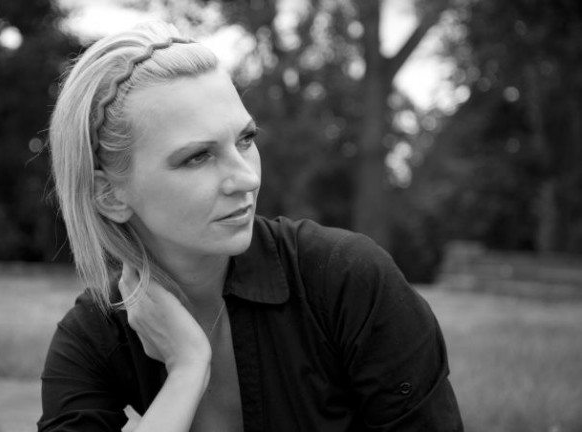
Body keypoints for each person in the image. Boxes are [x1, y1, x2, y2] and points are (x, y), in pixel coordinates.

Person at [39, 20, 463, 432]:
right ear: (110, 195)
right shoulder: (93, 336)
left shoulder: (347, 282)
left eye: (245, 139)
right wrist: (186, 371)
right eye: (198, 157)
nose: (247, 179)